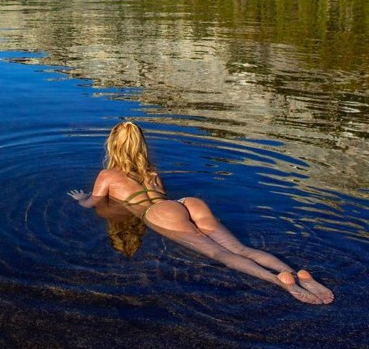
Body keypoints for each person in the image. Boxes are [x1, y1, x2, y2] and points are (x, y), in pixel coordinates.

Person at [68, 121, 334, 304]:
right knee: (239, 248)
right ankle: (294, 273)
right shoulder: (151, 172)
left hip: (159, 212)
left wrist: (81, 199)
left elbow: (93, 203)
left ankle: (280, 282)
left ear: (112, 146)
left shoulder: (108, 175)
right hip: (186, 203)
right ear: (141, 146)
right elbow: (161, 195)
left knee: (221, 254)